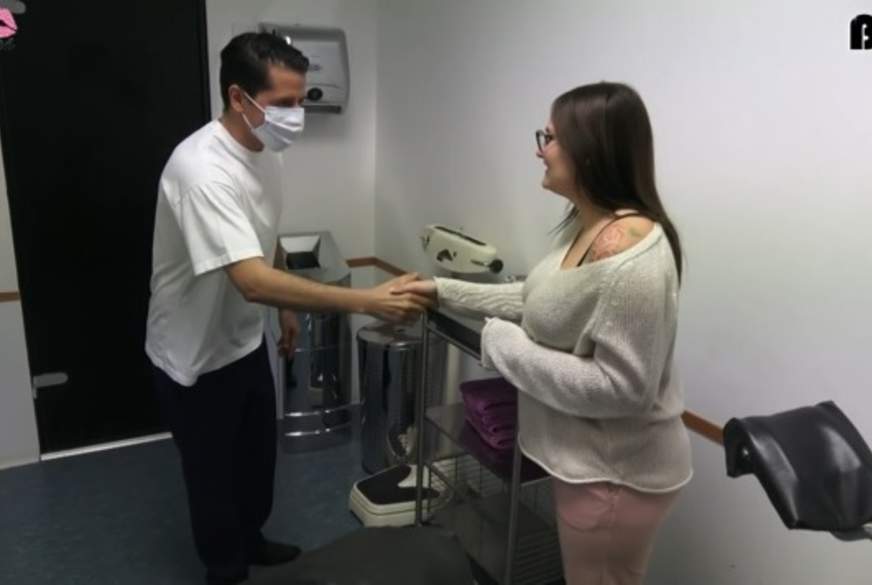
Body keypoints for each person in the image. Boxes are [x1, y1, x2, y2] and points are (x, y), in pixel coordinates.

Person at [145, 33, 430, 585]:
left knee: (255, 463)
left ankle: (251, 540)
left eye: (300, 100)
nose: (295, 116)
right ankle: (225, 570)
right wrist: (367, 300)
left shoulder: (265, 151)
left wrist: (288, 311)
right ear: (238, 97)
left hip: (242, 341)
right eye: (283, 102)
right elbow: (251, 281)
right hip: (192, 357)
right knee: (212, 478)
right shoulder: (200, 170)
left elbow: (263, 234)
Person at [397, 82, 691, 585]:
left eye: (550, 137)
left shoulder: (631, 258)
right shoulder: (593, 225)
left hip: (615, 477)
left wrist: (500, 344)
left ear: (589, 149)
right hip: (589, 467)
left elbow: (622, 389)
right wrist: (441, 290)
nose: (540, 150)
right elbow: (540, 299)